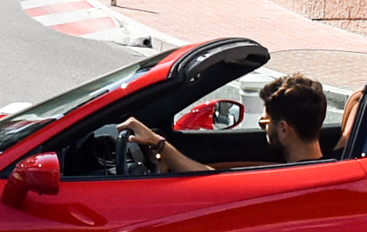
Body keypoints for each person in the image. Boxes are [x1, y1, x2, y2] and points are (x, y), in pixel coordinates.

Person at [125, 74, 332, 174]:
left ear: (284, 129)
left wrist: (158, 143)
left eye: (264, 122)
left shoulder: (290, 181)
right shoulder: (325, 169)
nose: (263, 128)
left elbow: (212, 181)